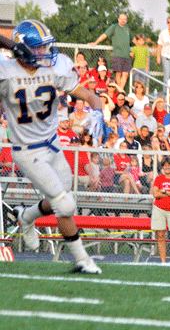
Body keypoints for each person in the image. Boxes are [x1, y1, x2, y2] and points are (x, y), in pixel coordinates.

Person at [3, 20, 103, 273]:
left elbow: (90, 96)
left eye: (45, 46)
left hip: (53, 144)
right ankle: (83, 260)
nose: (45, 53)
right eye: (38, 48)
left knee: (64, 199)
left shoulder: (55, 67)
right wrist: (12, 46)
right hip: (27, 151)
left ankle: (26, 216)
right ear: (23, 49)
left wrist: (98, 112)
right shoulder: (6, 72)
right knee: (65, 205)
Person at [89, 13, 134, 90]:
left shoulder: (127, 28)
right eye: (121, 19)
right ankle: (120, 91)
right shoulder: (114, 27)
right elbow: (104, 35)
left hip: (126, 55)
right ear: (118, 19)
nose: (123, 20)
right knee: (118, 74)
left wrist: (140, 48)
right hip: (117, 54)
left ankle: (121, 90)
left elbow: (133, 39)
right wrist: (96, 42)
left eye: (125, 19)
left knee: (126, 74)